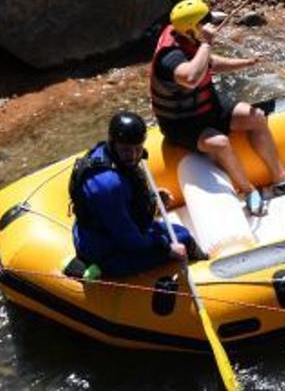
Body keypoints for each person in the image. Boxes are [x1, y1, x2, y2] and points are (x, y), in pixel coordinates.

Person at [150, 0, 285, 216]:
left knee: (257, 117)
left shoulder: (187, 35)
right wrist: (206, 42)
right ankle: (248, 190)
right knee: (220, 143)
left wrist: (248, 63)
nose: (212, 26)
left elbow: (210, 64)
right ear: (193, 29)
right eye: (206, 24)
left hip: (208, 106)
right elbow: (192, 77)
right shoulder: (170, 57)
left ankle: (281, 178)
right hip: (182, 123)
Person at [70, 112, 204, 278]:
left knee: (181, 233)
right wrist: (165, 247)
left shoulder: (107, 153)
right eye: (126, 150)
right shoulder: (108, 186)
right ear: (113, 143)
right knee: (183, 241)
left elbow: (127, 200)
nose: (134, 156)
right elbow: (129, 240)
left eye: (138, 149)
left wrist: (152, 198)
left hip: (116, 231)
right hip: (109, 251)